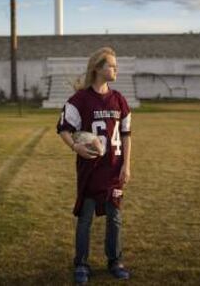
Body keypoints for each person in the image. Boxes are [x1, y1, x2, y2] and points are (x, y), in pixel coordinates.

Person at [56, 47, 132, 284]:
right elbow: (63, 129)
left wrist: (126, 166)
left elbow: (127, 134)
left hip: (114, 168)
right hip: (91, 169)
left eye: (116, 65)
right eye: (110, 65)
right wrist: (75, 147)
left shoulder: (119, 100)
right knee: (86, 218)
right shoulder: (80, 99)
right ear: (97, 69)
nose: (115, 69)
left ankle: (115, 260)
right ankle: (81, 263)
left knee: (115, 217)